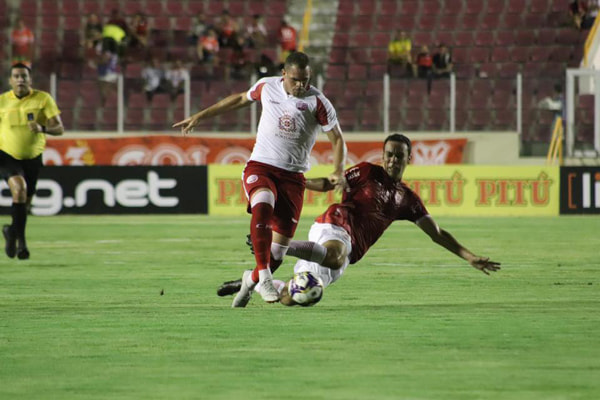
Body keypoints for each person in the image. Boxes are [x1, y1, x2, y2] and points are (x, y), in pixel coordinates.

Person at [217, 134, 501, 307]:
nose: (392, 160)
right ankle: (278, 246)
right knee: (336, 256)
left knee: (299, 296)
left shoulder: (408, 199)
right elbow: (331, 184)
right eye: (388, 154)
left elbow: (437, 233)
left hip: (347, 252)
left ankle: (252, 281)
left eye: (398, 156)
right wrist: (299, 182)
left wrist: (469, 257)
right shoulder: (365, 172)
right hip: (334, 225)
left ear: (408, 159)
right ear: (383, 155)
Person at [173, 51, 346, 306]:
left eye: (306, 80)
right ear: (284, 73)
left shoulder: (318, 102)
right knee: (263, 202)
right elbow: (239, 100)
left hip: (293, 177)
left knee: (278, 252)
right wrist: (200, 116)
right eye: (296, 80)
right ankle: (264, 277)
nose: (301, 85)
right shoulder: (266, 86)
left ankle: (249, 281)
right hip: (261, 166)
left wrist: (338, 170)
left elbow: (337, 138)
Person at [0, 63, 64, 260]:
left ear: (30, 80)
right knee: (19, 189)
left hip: (33, 158)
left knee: (25, 204)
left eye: (24, 76)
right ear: (10, 80)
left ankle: (11, 232)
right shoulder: (2, 102)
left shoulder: (43, 99)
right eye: (16, 76)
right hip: (6, 155)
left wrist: (42, 128)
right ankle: (22, 243)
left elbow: (59, 129)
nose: (20, 79)